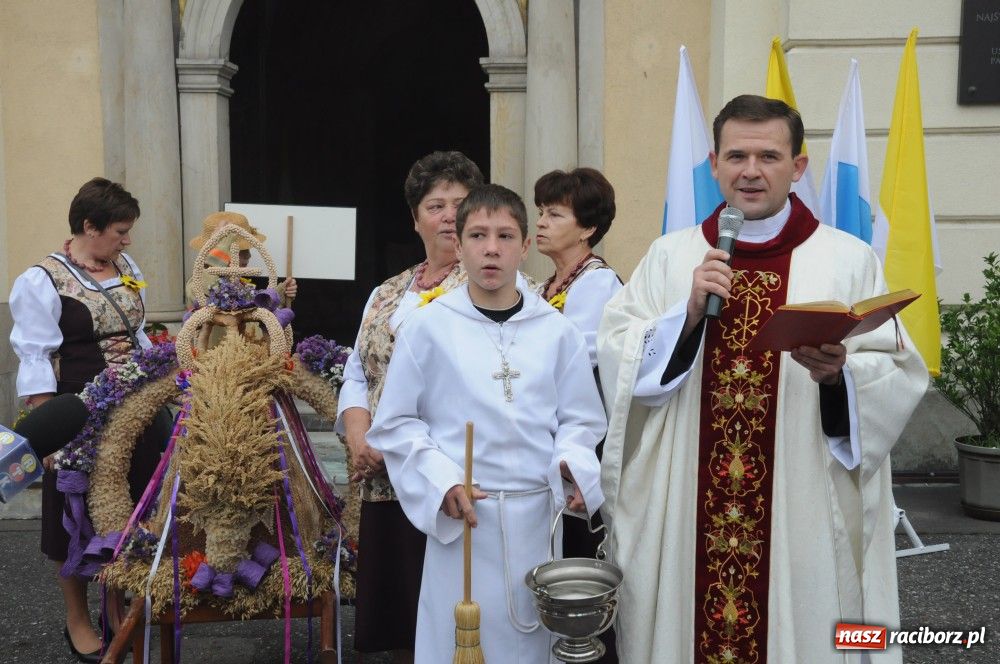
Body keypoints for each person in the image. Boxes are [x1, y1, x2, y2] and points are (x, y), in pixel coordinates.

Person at [596, 95, 928, 663]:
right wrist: (686, 316)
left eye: (769, 156)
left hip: (798, 493)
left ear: (797, 167)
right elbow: (617, 353)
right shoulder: (672, 257)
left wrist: (838, 378)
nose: (751, 171)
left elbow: (896, 368)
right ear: (714, 163)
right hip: (689, 504)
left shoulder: (845, 259)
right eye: (737, 156)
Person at [366, 184, 607, 664]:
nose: (491, 248)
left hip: (538, 519)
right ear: (459, 244)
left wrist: (573, 466)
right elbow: (395, 424)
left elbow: (580, 419)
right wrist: (440, 481)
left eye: (505, 235)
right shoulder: (429, 328)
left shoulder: (557, 332)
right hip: (465, 520)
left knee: (534, 642)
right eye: (477, 235)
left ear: (524, 246)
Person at [9, 177, 168, 662]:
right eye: (120, 231)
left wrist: (158, 378)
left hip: (135, 406)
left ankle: (117, 603)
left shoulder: (123, 266)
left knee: (137, 504)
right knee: (72, 516)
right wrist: (47, 432)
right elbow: (35, 358)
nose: (127, 241)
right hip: (77, 412)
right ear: (88, 226)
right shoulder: (42, 280)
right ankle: (77, 617)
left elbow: (137, 332)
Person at [335, 150, 484, 661]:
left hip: (444, 473)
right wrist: (360, 435)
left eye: (459, 204)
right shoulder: (387, 291)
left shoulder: (488, 288)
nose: (447, 215)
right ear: (415, 218)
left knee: (447, 613)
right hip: (384, 481)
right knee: (401, 615)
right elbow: (357, 369)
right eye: (435, 204)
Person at [534, 167, 622, 663]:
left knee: (579, 553)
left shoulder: (597, 282)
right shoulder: (549, 284)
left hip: (583, 435)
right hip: (552, 427)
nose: (541, 223)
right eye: (541, 212)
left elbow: (576, 359)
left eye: (555, 214)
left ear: (586, 227)